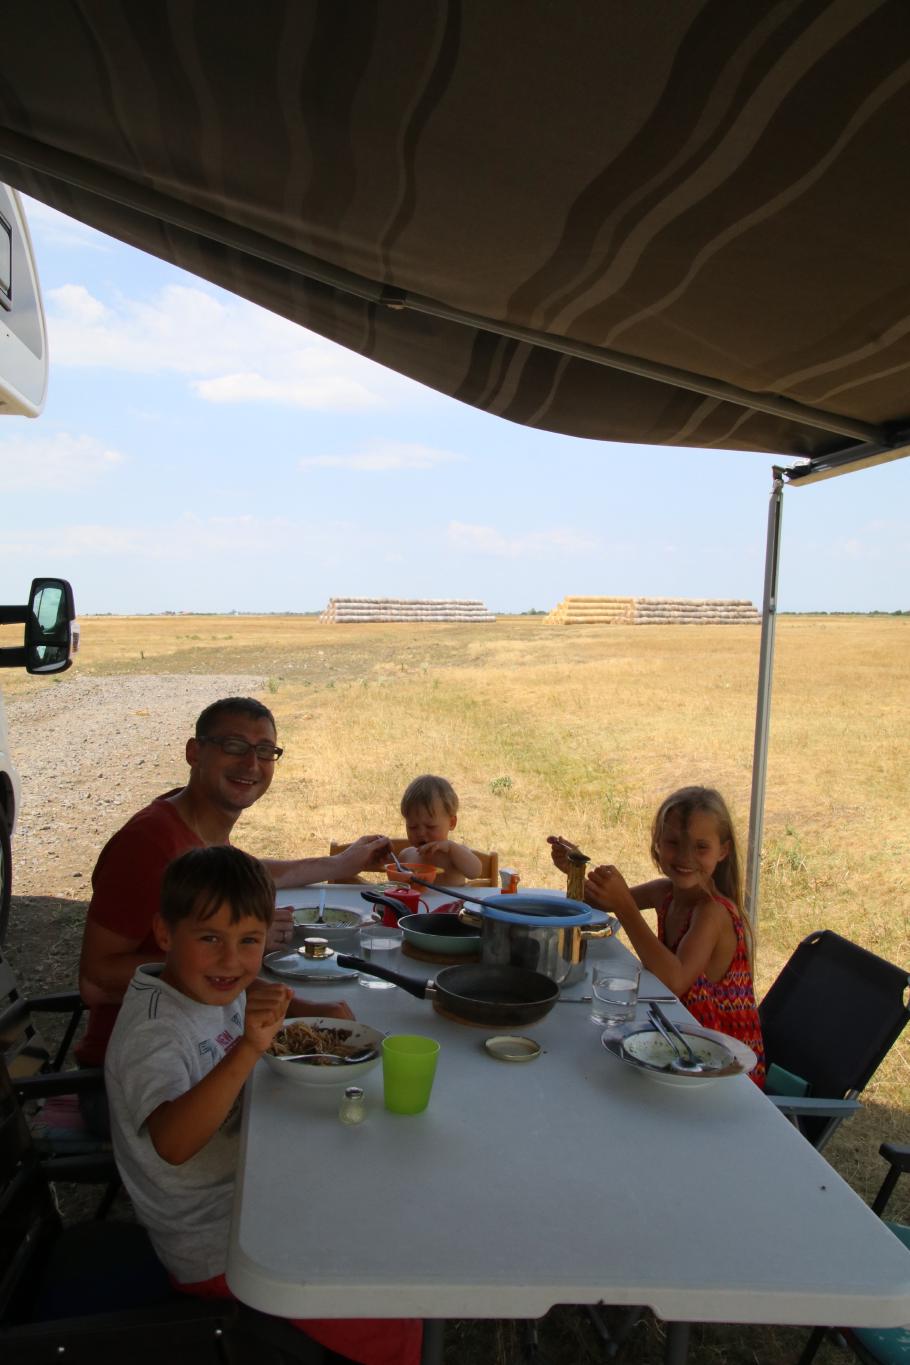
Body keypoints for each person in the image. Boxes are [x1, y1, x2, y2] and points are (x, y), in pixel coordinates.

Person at [105, 845, 421, 1365]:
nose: (231, 960)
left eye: (249, 940)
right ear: (164, 934)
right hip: (217, 1243)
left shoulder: (203, 983)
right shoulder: (155, 1032)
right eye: (210, 938)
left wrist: (303, 1005)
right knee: (391, 1320)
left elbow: (242, 989)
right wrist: (249, 1048)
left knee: (382, 1214)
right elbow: (173, 1143)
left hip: (257, 1184)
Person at [77, 696, 390, 1071]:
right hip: (148, 1070)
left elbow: (249, 870)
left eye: (265, 751)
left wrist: (338, 864)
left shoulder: (194, 826)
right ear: (195, 753)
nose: (251, 764)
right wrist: (242, 944)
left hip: (213, 1038)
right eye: (234, 746)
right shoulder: (147, 845)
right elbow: (96, 979)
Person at [549, 785, 765, 1085]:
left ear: (723, 851)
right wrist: (575, 868)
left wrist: (625, 907)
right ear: (657, 844)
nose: (685, 857)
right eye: (674, 843)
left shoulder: (713, 913)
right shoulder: (665, 892)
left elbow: (676, 980)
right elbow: (596, 902)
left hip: (726, 1069)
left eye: (701, 847)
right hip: (677, 1041)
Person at [399, 774, 481, 886]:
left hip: (451, 899)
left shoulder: (456, 854)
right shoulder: (406, 856)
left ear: (451, 823)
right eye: (412, 826)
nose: (421, 833)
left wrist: (451, 848)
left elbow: (475, 872)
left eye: (430, 826)